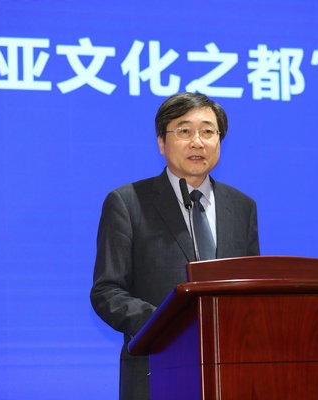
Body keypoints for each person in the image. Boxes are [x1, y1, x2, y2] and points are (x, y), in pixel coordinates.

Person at [90, 92, 260, 400]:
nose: (198, 142)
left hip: (230, 374)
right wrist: (166, 324)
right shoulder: (128, 203)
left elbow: (251, 290)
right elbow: (107, 292)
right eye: (184, 131)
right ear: (161, 142)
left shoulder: (242, 206)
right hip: (155, 371)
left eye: (208, 131)